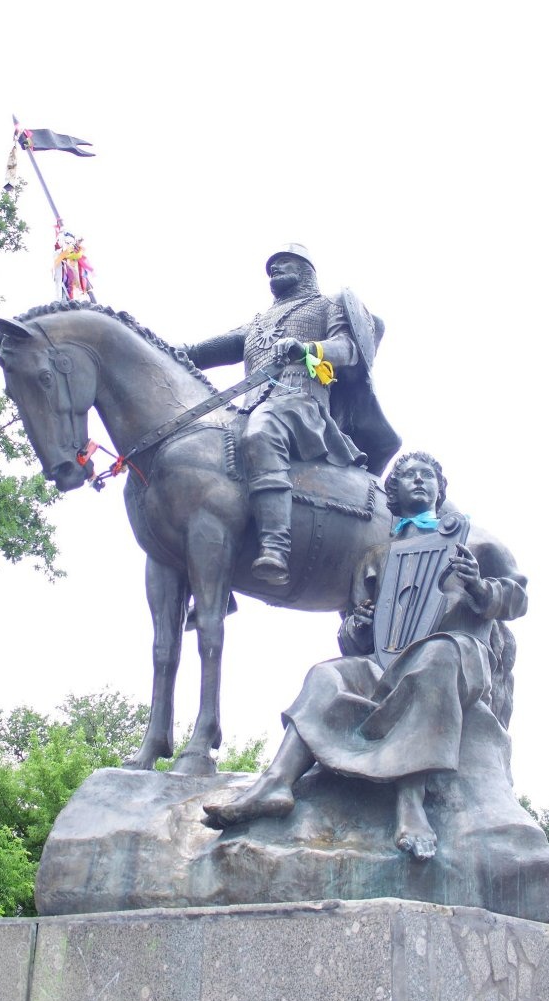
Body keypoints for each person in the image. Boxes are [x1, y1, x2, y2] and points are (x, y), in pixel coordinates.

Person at [202, 452, 527, 860]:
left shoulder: (476, 542)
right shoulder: (375, 558)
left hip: (458, 652)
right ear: (392, 493)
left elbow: (517, 598)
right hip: (384, 664)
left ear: (441, 490)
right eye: (408, 476)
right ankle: (275, 784)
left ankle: (410, 804)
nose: (419, 481)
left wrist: (481, 588)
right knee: (327, 675)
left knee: (435, 658)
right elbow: (356, 638)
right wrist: (356, 627)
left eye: (428, 476)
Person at [185, 245, 398, 584]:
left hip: (302, 403)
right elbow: (205, 351)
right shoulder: (256, 323)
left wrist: (308, 349)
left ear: (307, 270)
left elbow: (348, 349)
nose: (275, 269)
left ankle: (276, 545)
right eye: (271, 266)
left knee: (262, 432)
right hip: (250, 406)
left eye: (285, 263)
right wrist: (162, 351)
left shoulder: (328, 305)